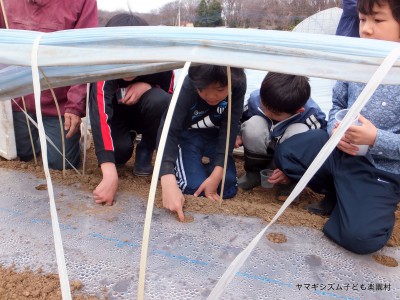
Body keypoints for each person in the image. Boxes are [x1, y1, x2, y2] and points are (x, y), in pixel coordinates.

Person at [274, 0, 400, 254]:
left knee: (361, 238)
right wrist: (334, 128)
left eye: (378, 20)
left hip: (379, 167)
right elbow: (338, 104)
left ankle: (350, 203)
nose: (366, 29)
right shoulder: (357, 59)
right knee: (286, 152)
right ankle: (338, 191)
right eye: (363, 20)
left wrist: (375, 138)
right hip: (339, 148)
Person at [0, 0, 98, 170]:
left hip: (59, 101)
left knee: (61, 165)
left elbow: (85, 54)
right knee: (19, 156)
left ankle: (79, 138)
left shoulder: (82, 2)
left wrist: (75, 106)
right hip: (17, 99)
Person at [89, 13, 174, 206]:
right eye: (120, 58)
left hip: (145, 114)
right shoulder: (103, 68)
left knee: (160, 100)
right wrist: (110, 174)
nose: (127, 67)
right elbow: (100, 115)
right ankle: (125, 142)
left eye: (134, 58)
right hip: (117, 117)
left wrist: (148, 86)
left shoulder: (162, 64)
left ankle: (146, 148)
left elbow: (170, 97)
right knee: (119, 153)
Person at [159, 64, 246, 221]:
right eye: (203, 90)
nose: (211, 96)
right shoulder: (188, 85)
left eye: (220, 90)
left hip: (215, 135)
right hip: (188, 134)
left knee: (228, 187)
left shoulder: (237, 80)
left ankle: (201, 170)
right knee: (192, 187)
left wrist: (217, 172)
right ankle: (192, 169)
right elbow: (169, 129)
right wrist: (167, 178)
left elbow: (231, 125)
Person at [237, 72, 327, 192]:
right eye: (264, 107)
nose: (268, 113)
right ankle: (254, 173)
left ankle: (288, 180)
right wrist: (238, 134)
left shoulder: (312, 115)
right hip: (261, 149)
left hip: (285, 159)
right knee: (253, 124)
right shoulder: (255, 100)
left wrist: (292, 170)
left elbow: (316, 145)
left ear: (298, 111)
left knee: (300, 131)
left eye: (275, 114)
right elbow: (240, 118)